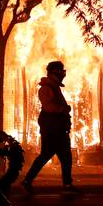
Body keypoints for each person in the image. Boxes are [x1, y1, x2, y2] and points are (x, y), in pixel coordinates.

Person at [21, 61, 80, 194]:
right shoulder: (47, 88)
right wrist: (63, 109)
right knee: (53, 156)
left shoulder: (53, 87)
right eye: (60, 71)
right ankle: (65, 185)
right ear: (54, 72)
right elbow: (49, 107)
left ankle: (66, 185)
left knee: (62, 157)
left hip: (56, 129)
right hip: (53, 130)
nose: (62, 74)